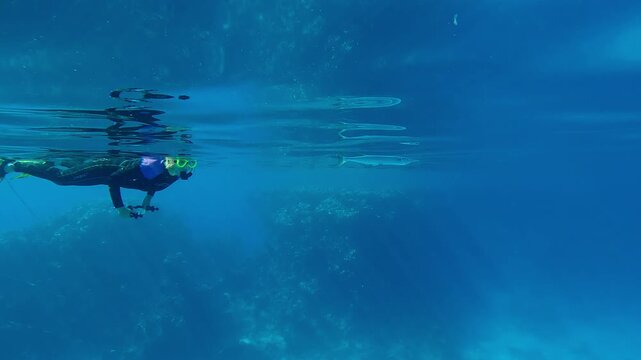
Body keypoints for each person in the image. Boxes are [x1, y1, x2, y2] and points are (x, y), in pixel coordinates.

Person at [0, 155, 196, 219]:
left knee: (71, 174)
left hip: (103, 176)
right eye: (177, 162)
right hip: (103, 170)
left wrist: (146, 201)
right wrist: (119, 207)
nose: (182, 167)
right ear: (169, 159)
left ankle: (48, 162)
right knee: (62, 180)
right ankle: (10, 166)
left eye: (188, 164)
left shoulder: (174, 175)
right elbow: (114, 179)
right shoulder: (151, 166)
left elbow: (154, 185)